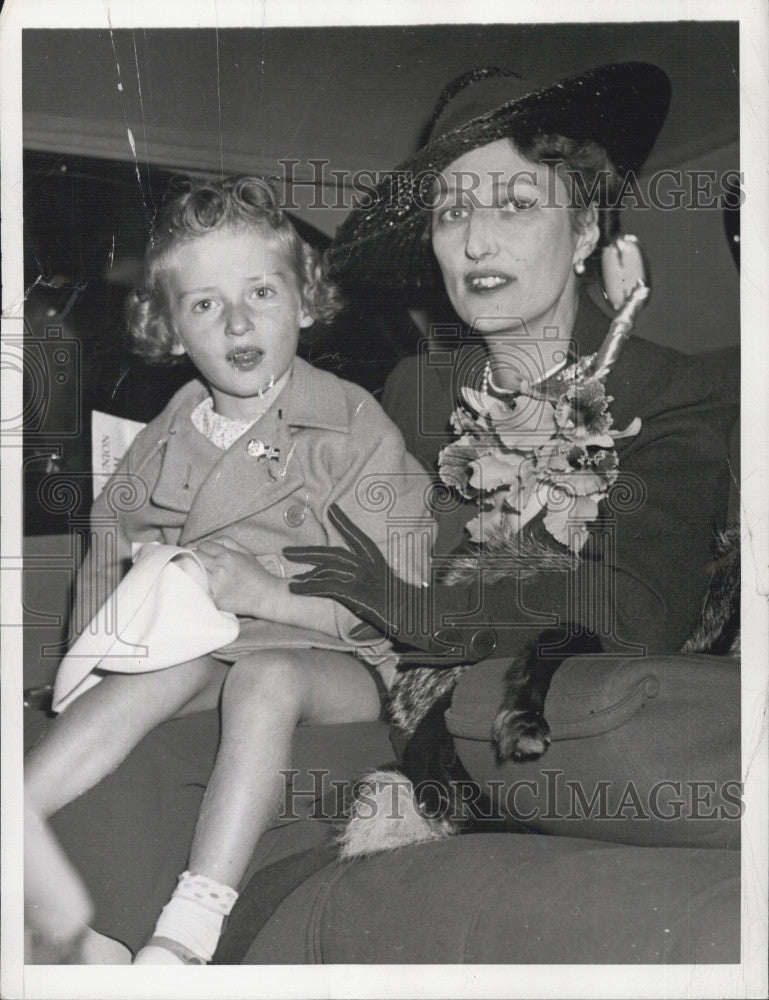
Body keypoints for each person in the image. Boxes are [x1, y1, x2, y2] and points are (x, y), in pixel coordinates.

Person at [24, 176, 434, 965]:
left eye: (260, 293)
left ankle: (194, 920)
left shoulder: (351, 427)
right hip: (217, 644)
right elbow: (109, 548)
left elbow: (402, 600)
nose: (238, 321)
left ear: (305, 303)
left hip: (349, 662)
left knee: (266, 679)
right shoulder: (171, 428)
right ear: (169, 327)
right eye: (206, 304)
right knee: (149, 679)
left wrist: (265, 592)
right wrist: (100, 651)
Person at [286, 63, 736, 751]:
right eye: (452, 213)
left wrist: (419, 610)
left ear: (584, 232)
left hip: (537, 736)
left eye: (516, 205)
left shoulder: (665, 392)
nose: (475, 242)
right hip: (383, 702)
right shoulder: (413, 389)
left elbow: (642, 611)